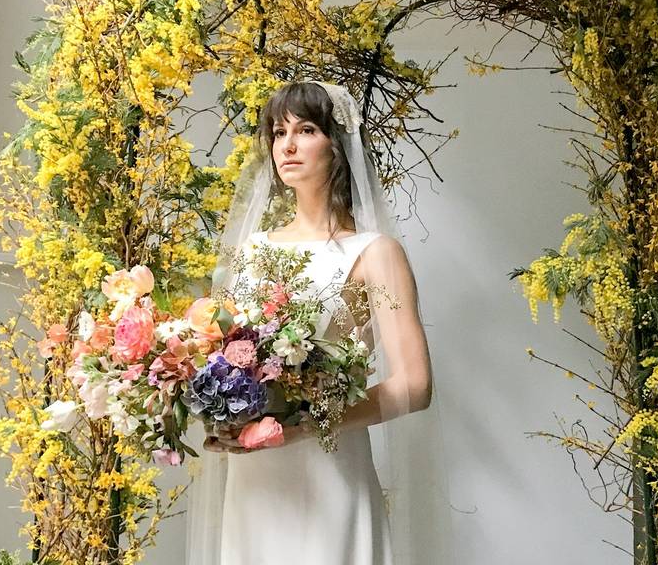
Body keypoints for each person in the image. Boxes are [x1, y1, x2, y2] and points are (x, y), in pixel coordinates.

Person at [184, 81, 456, 564]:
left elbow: (415, 385)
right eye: (278, 132)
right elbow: (224, 359)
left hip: (328, 467)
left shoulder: (375, 253)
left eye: (306, 130)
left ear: (339, 145)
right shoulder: (253, 250)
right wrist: (225, 419)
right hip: (255, 479)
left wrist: (302, 427)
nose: (286, 145)